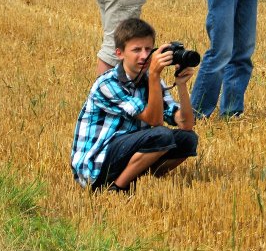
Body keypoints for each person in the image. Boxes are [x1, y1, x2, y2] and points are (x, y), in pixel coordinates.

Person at [71, 18, 198, 192]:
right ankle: (117, 188)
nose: (144, 56)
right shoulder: (108, 83)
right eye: (136, 50)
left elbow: (186, 123)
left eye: (148, 49)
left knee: (188, 139)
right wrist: (153, 75)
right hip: (96, 166)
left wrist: (182, 85)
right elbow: (154, 121)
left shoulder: (152, 81)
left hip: (128, 150)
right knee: (161, 135)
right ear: (119, 53)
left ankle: (142, 176)